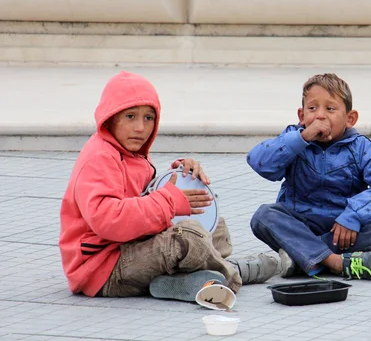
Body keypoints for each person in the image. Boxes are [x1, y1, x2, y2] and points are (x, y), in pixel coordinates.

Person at [59, 71, 278, 301]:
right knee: (188, 238)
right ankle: (231, 274)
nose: (140, 128)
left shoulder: (132, 153)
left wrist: (179, 175)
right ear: (110, 118)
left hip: (130, 247)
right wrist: (169, 201)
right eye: (130, 117)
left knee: (214, 225)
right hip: (103, 270)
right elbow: (108, 220)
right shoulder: (99, 158)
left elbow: (143, 197)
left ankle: (175, 281)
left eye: (148, 118)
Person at [247, 73, 371, 280]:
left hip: (343, 229)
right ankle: (336, 263)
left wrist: (353, 215)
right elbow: (259, 161)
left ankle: (303, 257)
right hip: (300, 223)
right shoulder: (293, 138)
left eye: (330, 109)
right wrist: (301, 138)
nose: (320, 116)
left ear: (350, 118)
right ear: (302, 116)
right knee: (264, 216)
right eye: (312, 109)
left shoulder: (360, 147)